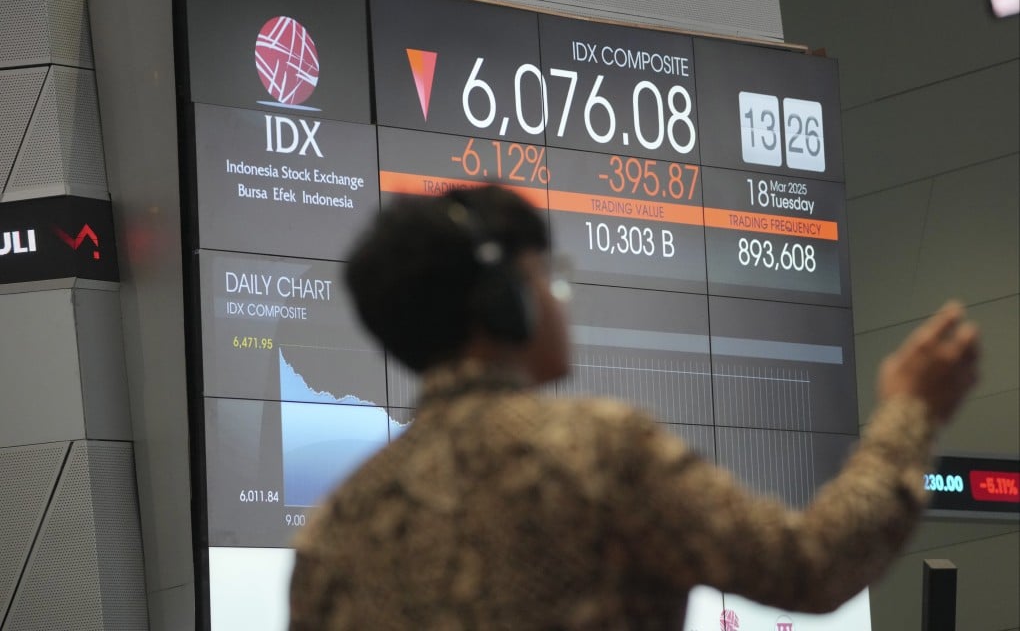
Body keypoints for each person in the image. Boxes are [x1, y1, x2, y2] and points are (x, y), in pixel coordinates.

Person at [289, 185, 980, 630]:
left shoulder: (335, 530)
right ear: (504, 299)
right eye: (545, 277)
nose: (559, 298)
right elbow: (811, 566)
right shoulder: (595, 450)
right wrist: (909, 413)